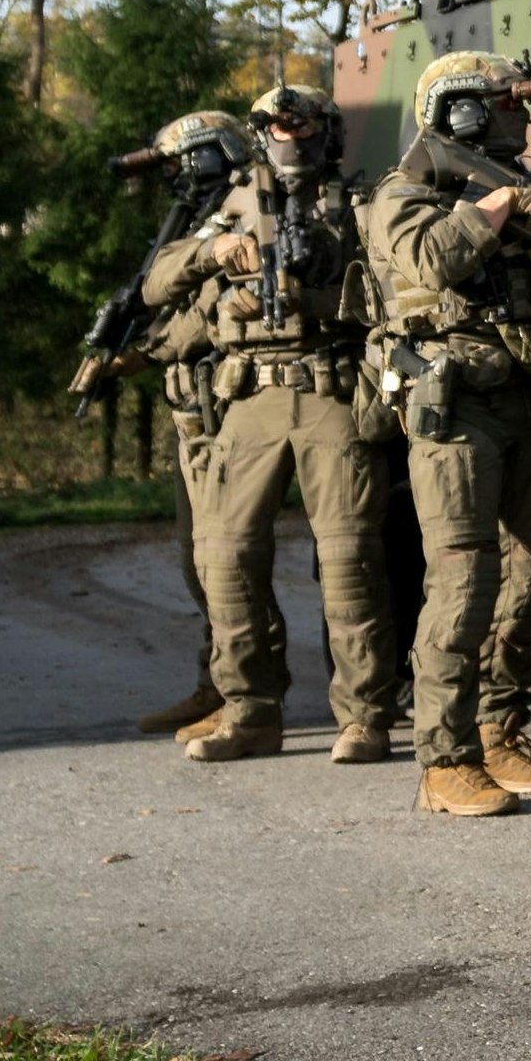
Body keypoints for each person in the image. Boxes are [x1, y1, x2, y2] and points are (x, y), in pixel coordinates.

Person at [367, 52, 531, 817]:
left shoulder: (525, 194)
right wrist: (504, 204)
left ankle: (498, 725)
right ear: (461, 112)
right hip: (459, 405)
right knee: (463, 582)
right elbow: (430, 258)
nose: (520, 117)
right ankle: (443, 759)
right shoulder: (406, 194)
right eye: (503, 104)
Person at [145, 85, 402, 765]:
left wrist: (321, 286)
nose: (289, 134)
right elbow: (156, 283)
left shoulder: (358, 203)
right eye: (275, 124)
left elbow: (396, 288)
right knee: (224, 557)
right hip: (250, 397)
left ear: (326, 130)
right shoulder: (232, 204)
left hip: (332, 389)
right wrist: (220, 251)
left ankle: (365, 715)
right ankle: (250, 710)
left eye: (301, 122)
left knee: (350, 561)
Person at [131, 110, 250, 740]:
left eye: (183, 162)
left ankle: (241, 692)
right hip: (193, 410)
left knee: (225, 560)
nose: (176, 177)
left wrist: (151, 349)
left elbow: (209, 313)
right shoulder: (199, 222)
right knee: (196, 559)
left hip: (231, 406)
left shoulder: (246, 209)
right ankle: (216, 682)